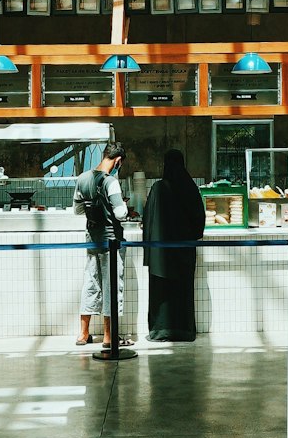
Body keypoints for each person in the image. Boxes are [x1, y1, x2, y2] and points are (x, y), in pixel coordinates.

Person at [142, 149, 206, 342]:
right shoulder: (190, 187)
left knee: (161, 292)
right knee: (182, 291)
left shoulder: (157, 188)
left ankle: (160, 331)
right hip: (184, 252)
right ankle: (184, 331)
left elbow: (147, 220)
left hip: (160, 253)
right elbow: (199, 220)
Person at [73, 141, 129, 348]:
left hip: (92, 239)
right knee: (111, 286)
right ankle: (108, 337)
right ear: (118, 160)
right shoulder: (111, 181)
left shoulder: (83, 178)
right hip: (111, 241)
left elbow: (77, 210)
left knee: (90, 283)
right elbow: (120, 213)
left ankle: (83, 334)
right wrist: (123, 205)